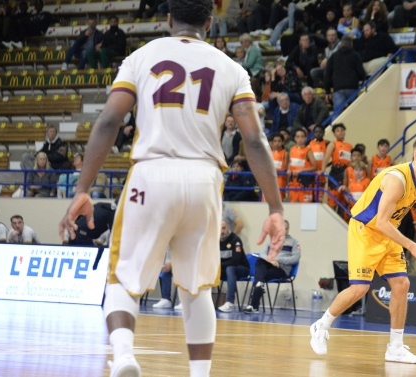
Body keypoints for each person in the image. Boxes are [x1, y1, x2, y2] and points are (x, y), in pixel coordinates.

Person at [58, 2, 286, 377]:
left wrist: (84, 187)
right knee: (197, 287)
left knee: (123, 277)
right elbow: (255, 141)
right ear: (209, 24)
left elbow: (110, 120)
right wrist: (275, 208)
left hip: (152, 173)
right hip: (205, 180)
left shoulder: (141, 57)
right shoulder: (231, 68)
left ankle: (125, 356)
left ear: (168, 20)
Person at [310, 136, 416, 363]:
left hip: (388, 232)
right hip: (367, 230)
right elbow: (380, 221)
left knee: (402, 284)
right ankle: (321, 325)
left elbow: (413, 195)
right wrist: (412, 245)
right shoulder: (396, 178)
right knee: (360, 288)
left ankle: (395, 347)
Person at [244, 219, 301, 313]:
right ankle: (256, 299)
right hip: (269, 266)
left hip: (282, 270)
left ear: (288, 229)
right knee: (260, 262)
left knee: (259, 277)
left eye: (285, 229)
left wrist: (277, 260)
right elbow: (262, 254)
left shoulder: (294, 242)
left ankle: (254, 305)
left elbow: (295, 258)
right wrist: (271, 260)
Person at [325, 35, 366, 109]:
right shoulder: (356, 55)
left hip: (338, 88)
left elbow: (327, 74)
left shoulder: (334, 56)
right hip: (352, 87)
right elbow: (361, 73)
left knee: (337, 114)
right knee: (353, 112)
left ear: (340, 44)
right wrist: (361, 80)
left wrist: (328, 91)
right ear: (351, 45)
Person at [217, 220, 250, 312]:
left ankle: (230, 303)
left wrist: (219, 266)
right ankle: (197, 301)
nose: (222, 231)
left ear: (228, 229)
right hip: (224, 269)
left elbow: (235, 261)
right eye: (219, 229)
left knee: (230, 268)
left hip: (241, 269)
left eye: (224, 228)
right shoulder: (215, 242)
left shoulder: (235, 240)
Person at [321, 123, 353, 212]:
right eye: (337, 131)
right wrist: (323, 169)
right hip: (336, 173)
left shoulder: (350, 146)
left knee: (344, 202)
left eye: (342, 130)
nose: (340, 132)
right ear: (334, 134)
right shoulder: (333, 143)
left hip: (346, 174)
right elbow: (327, 157)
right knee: (333, 200)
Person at [287, 128, 317, 202]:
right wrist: (288, 169)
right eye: (298, 137)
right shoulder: (292, 148)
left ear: (305, 138)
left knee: (305, 204)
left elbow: (315, 166)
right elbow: (289, 161)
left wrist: (301, 170)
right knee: (293, 203)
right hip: (293, 180)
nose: (300, 138)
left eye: (302, 136)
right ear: (295, 138)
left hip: (304, 181)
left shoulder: (308, 150)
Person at [269, 133, 289, 200]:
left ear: (283, 142)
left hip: (280, 179)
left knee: (279, 198)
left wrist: (275, 170)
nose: (277, 143)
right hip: (270, 178)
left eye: (279, 141)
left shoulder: (285, 153)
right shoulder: (269, 153)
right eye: (275, 141)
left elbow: (285, 167)